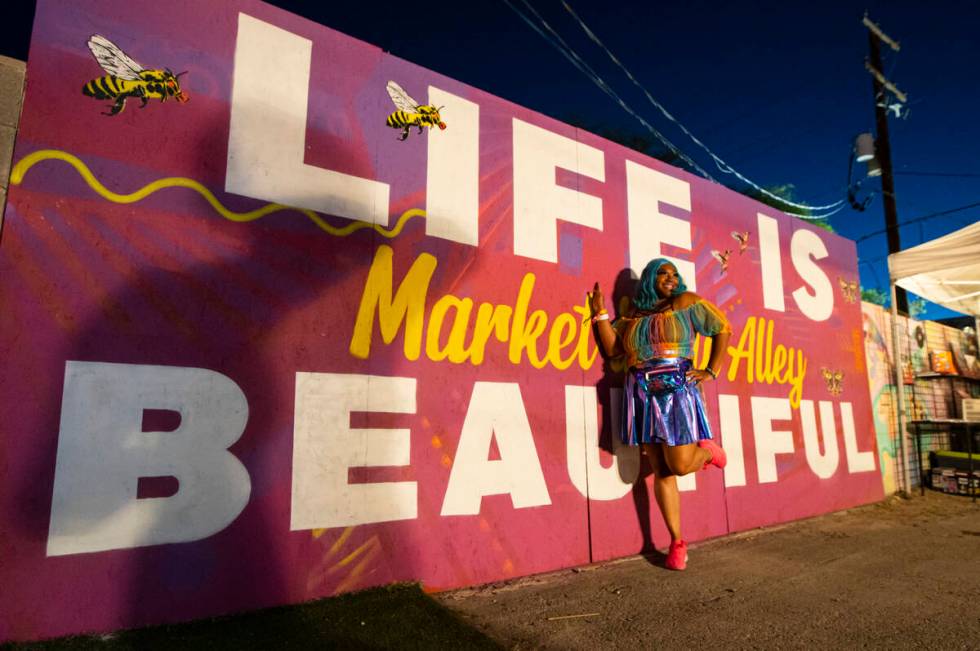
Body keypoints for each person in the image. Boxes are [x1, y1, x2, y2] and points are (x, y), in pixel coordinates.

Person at [587, 258, 732, 571]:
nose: (670, 277)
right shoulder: (634, 316)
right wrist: (599, 313)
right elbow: (614, 350)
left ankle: (707, 453)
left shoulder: (685, 302)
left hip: (677, 387)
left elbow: (721, 328)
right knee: (661, 469)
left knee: (679, 465)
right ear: (650, 278)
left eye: (674, 273)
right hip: (640, 390)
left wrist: (710, 370)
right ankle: (677, 542)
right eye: (663, 272)